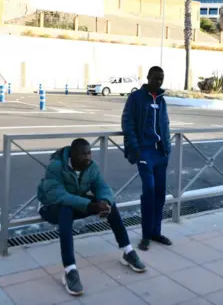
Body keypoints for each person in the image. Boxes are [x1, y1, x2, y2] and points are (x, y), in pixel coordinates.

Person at [37, 138, 146, 296]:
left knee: (111, 205)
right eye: (83, 154)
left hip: (76, 204)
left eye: (89, 153)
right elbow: (59, 196)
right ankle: (70, 270)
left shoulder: (91, 167)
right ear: (72, 156)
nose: (88, 157)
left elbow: (102, 186)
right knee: (65, 210)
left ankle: (127, 251)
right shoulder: (56, 167)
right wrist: (89, 205)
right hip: (51, 207)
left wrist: (104, 202)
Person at [122, 66, 172, 251]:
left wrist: (167, 149)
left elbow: (165, 125)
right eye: (156, 78)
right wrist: (136, 150)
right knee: (149, 191)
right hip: (145, 153)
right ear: (148, 77)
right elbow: (128, 123)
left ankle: (156, 232)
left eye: (162, 78)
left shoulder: (162, 100)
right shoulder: (136, 98)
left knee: (160, 194)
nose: (159, 81)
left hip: (160, 154)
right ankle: (145, 236)